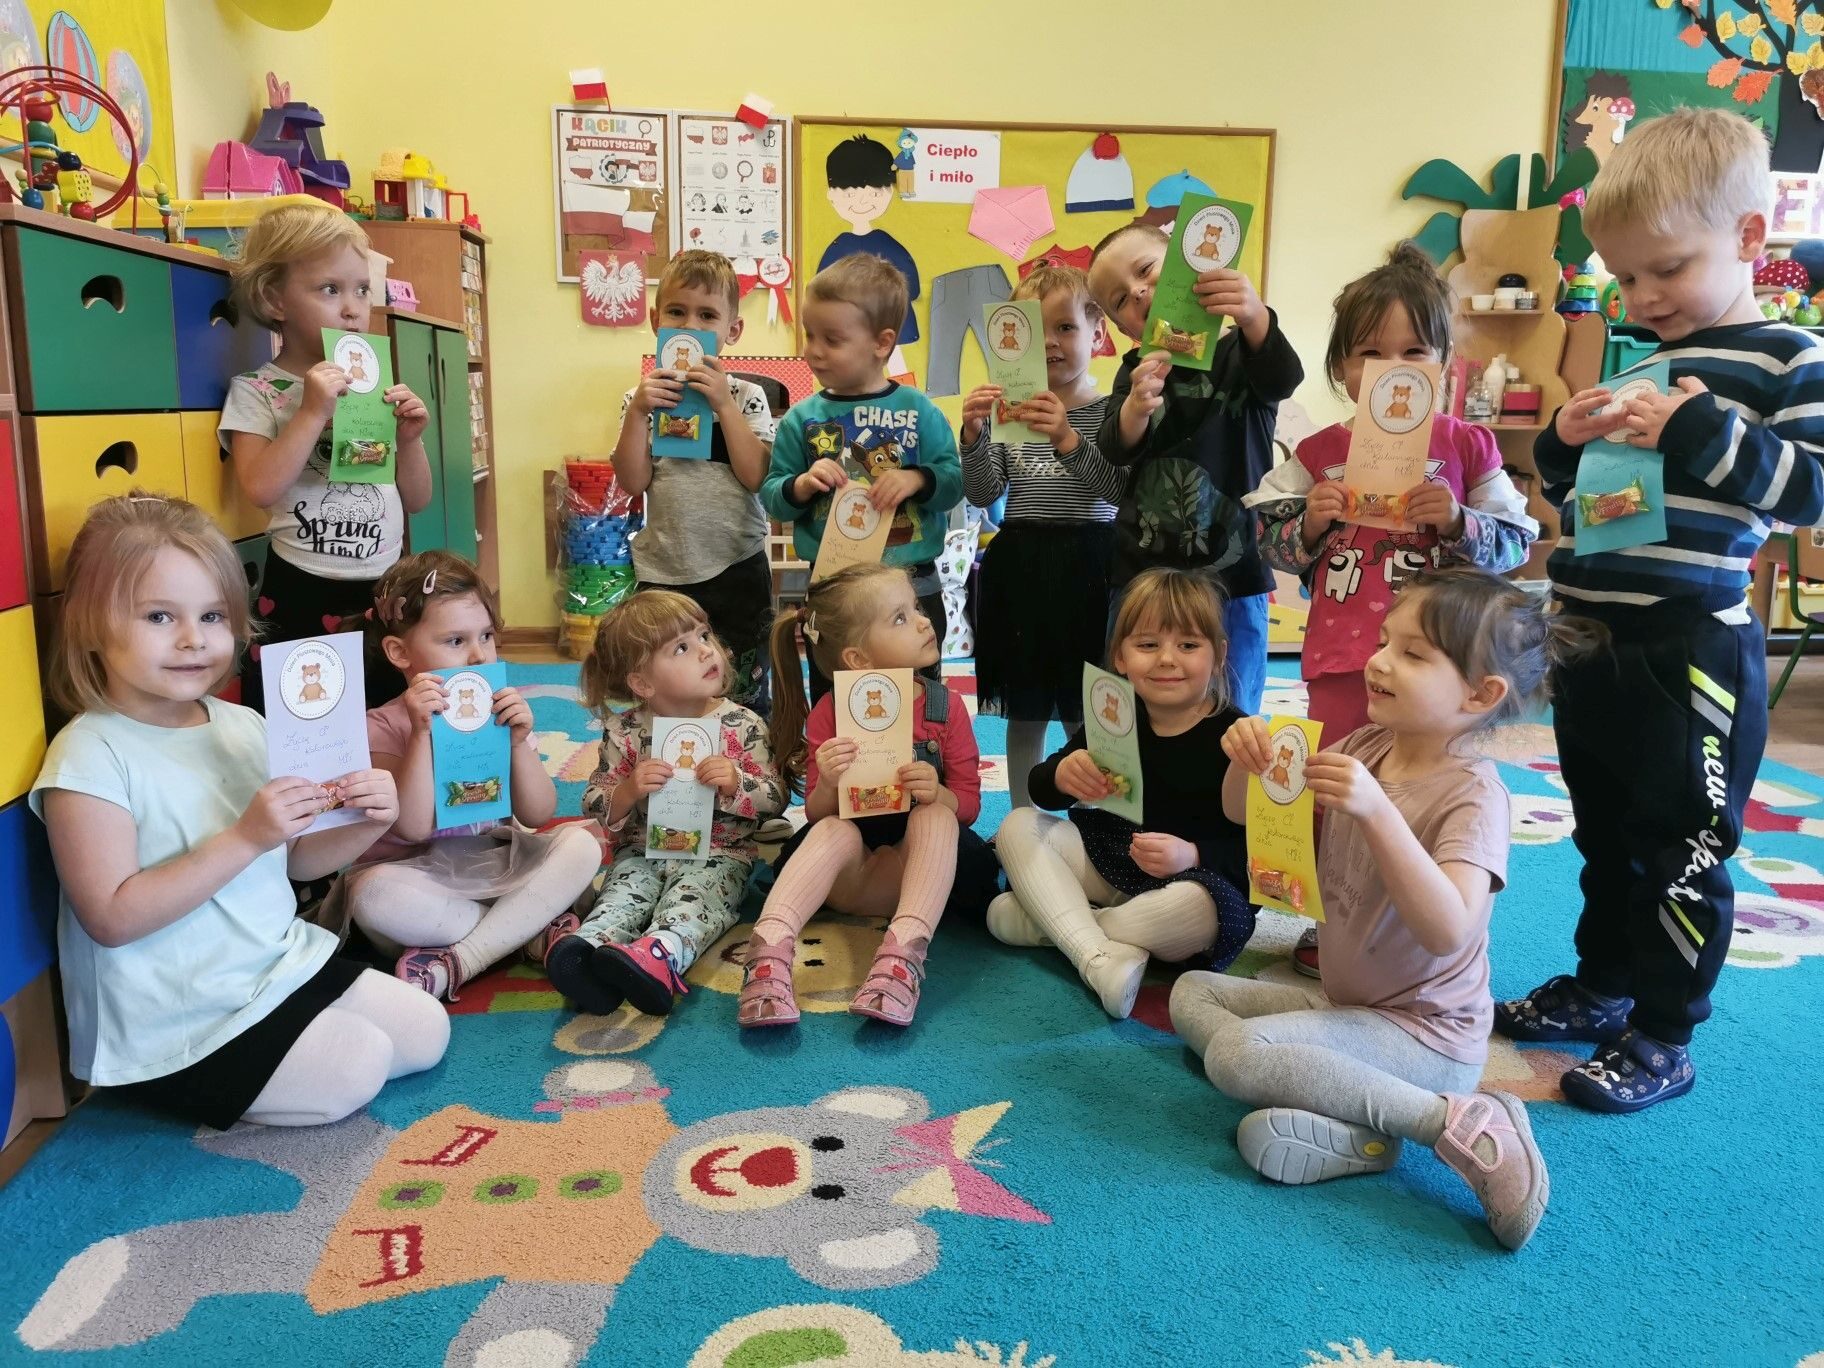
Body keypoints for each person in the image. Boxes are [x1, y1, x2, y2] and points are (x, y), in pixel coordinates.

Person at [1498, 107, 1824, 1112]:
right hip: (1590, 630)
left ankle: (1665, 1031)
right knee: (1604, 832)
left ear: (1749, 237)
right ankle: (1604, 984)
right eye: (1624, 277)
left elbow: (1811, 492)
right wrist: (1561, 438)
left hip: (1692, 645)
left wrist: (1696, 427)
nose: (1642, 298)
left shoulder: (1788, 357)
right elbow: (1581, 489)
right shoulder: (1639, 354)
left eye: (1666, 271)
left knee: (1683, 843)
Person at [1173, 567, 1598, 1251]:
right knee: (1193, 992)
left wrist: (1376, 812)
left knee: (1236, 1053)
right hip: (1349, 1006)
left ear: (1481, 694)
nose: (1378, 661)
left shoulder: (1473, 797)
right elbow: (1241, 815)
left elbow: (1449, 928)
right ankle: (1361, 1133)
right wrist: (1245, 764)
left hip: (1428, 1039)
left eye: (1413, 654)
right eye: (1383, 641)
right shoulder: (1367, 745)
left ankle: (1455, 1122)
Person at [30, 494, 446, 1129]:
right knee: (357, 1064)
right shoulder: (90, 752)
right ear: (89, 625)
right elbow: (111, 918)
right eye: (159, 616)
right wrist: (247, 837)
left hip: (271, 967)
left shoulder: (245, 725)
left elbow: (297, 860)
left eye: (213, 615)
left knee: (424, 1030)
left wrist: (370, 819)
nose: (193, 639)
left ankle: (277, 1060)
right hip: (178, 1014)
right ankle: (174, 1085)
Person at [1247, 242, 1537, 978]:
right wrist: (1310, 521)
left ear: (1443, 362)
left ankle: (1419, 914)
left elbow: (1515, 543)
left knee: (1423, 787)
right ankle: (1333, 917)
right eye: (1370, 353)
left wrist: (1460, 521)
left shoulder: (1467, 447)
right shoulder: (1317, 452)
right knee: (1334, 785)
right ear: (1342, 367)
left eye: (1413, 351)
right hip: (1342, 654)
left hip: (1440, 664)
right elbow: (1268, 543)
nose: (1392, 369)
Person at [334, 552, 602, 1001]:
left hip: (498, 864)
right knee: (371, 898)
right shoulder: (379, 727)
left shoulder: (498, 714)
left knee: (582, 846)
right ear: (400, 652)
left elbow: (539, 813)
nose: (479, 656)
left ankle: (461, 959)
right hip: (420, 879)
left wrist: (518, 743)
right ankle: (527, 930)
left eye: (487, 636)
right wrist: (421, 735)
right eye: (456, 641)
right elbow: (412, 826)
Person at [989, 569, 1254, 1019]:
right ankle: (1097, 954)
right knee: (1018, 824)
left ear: (1219, 655)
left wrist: (1193, 854)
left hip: (1190, 884)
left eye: (1188, 645)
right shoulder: (1114, 717)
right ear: (1120, 657)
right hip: (1111, 860)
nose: (1166, 659)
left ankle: (1058, 925)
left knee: (1196, 908)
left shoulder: (1236, 735)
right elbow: (1042, 789)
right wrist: (1062, 775)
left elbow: (1260, 858)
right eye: (1148, 645)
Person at [737, 565, 981, 1028]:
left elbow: (969, 806)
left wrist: (940, 795)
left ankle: (902, 958)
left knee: (936, 817)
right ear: (858, 659)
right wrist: (829, 782)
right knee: (833, 829)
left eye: (917, 608)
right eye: (900, 617)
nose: (924, 621)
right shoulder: (830, 712)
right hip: (852, 877)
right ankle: (768, 952)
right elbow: (815, 813)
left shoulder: (945, 707)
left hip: (918, 874)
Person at [219, 204, 433, 713]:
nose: (353, 309)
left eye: (362, 290)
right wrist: (312, 412)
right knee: (304, 714)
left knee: (388, 710)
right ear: (275, 299)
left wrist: (409, 440)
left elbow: (417, 499)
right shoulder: (258, 390)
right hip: (301, 583)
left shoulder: (374, 387)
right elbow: (260, 487)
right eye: (330, 289)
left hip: (385, 582)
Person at [1087, 222, 1304, 714]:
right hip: (1145, 574)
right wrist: (1135, 408)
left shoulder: (1242, 351)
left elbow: (1283, 377)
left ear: (1189, 266)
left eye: (1146, 270)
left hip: (1233, 572)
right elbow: (1115, 448)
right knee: (1131, 706)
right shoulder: (1135, 369)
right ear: (1126, 329)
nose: (1138, 291)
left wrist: (1253, 314)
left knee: (1234, 706)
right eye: (1121, 300)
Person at [548, 591, 785, 1016]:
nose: (705, 650)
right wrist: (628, 790)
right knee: (620, 897)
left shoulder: (743, 725)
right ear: (642, 684)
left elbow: (776, 798)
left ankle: (662, 954)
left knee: (695, 903)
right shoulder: (625, 731)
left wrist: (737, 783)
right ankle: (586, 955)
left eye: (704, 636)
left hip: (719, 854)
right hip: (641, 851)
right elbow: (594, 801)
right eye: (681, 648)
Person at [960, 264, 1126, 806]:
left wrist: (1066, 437)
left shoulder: (1113, 411)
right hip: (1022, 564)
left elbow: (1117, 490)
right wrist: (973, 435)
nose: (1050, 342)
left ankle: (1097, 819)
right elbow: (984, 491)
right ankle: (1022, 817)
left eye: (1065, 327)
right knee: (1024, 706)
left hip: (1093, 564)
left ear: (1097, 334)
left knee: (1090, 706)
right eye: (1033, 330)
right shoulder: (1010, 411)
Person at [761, 254, 962, 693]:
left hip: (912, 587)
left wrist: (917, 479)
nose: (814, 350)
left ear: (881, 343)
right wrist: (801, 484)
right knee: (835, 699)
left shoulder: (919, 410)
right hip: (834, 590)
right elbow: (772, 495)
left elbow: (954, 482)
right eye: (810, 334)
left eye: (832, 339)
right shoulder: (801, 419)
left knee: (918, 701)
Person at [613, 250, 778, 714]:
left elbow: (757, 477)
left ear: (732, 330)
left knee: (744, 687)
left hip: (736, 566)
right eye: (676, 311)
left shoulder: (746, 397)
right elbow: (632, 482)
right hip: (664, 572)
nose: (689, 326)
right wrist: (638, 412)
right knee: (669, 688)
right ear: (656, 320)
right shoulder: (640, 398)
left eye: (707, 315)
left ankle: (748, 756)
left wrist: (723, 404)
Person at [818, 134, 920, 343]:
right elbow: (821, 293)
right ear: (830, 194)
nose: (863, 202)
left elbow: (912, 287)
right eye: (850, 194)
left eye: (874, 194)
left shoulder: (885, 244)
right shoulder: (839, 247)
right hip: (854, 331)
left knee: (891, 359)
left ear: (890, 191)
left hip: (890, 329)